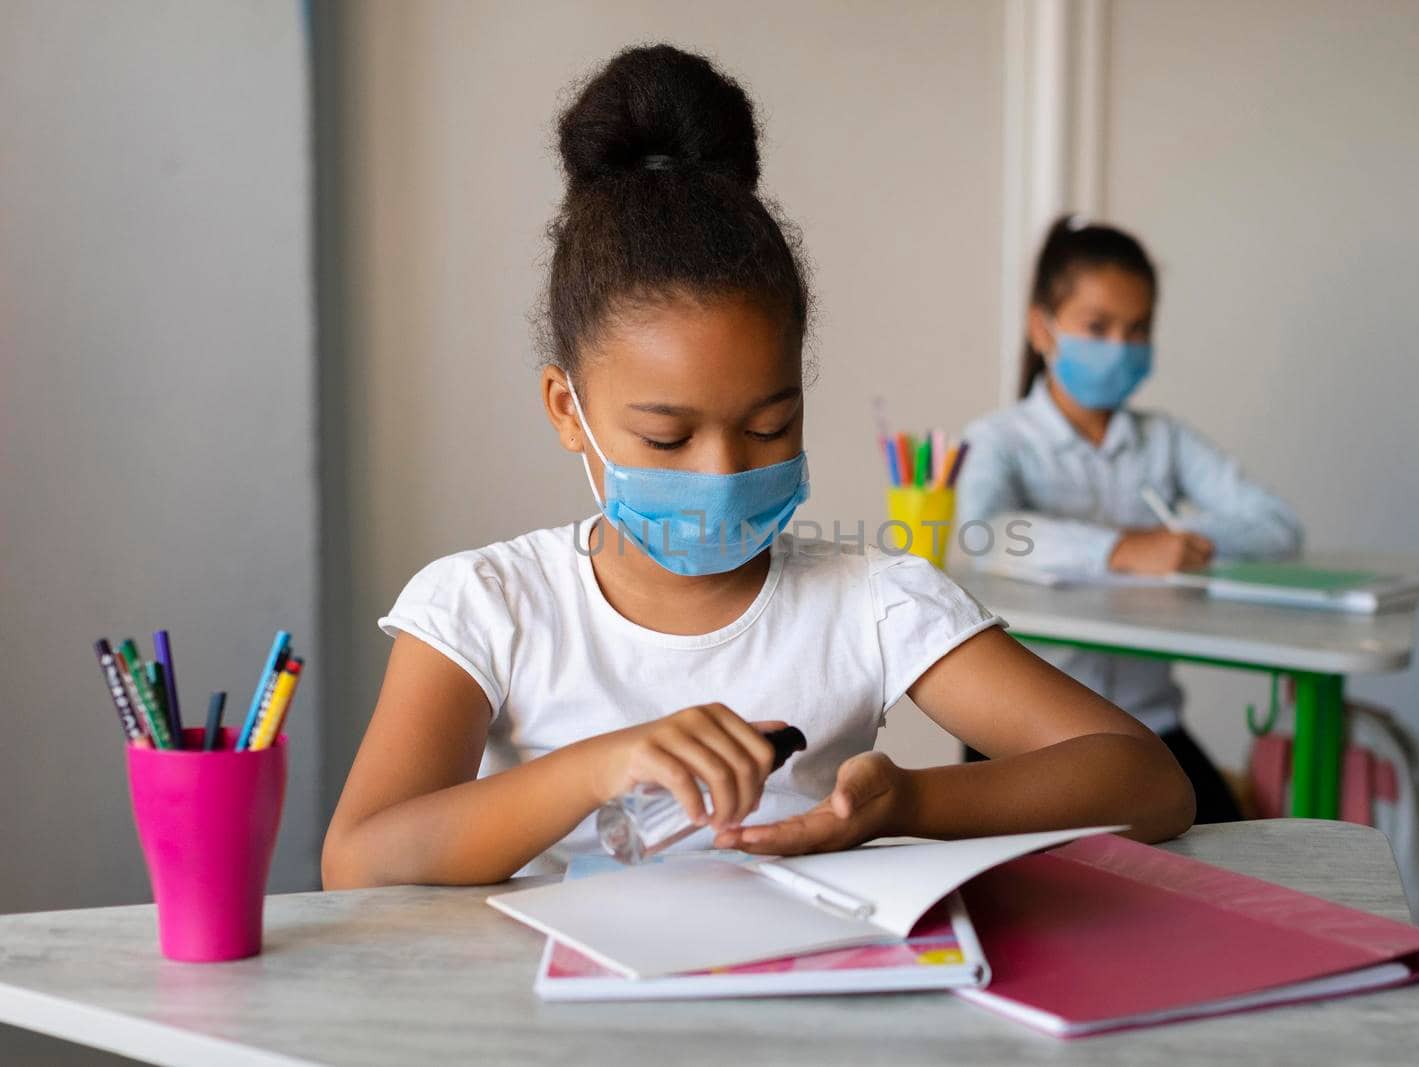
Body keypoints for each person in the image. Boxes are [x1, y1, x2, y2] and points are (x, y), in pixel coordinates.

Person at [321, 48, 1192, 889]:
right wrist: (601, 765)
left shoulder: (872, 602)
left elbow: (1147, 781)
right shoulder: (488, 605)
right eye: (667, 439)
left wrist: (911, 800)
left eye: (772, 425)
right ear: (566, 410)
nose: (724, 470)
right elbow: (358, 859)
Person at [955, 217, 1303, 823]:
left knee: (1243, 863)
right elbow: (983, 534)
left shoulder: (1163, 440)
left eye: (1137, 329)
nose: (1119, 346)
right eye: (1097, 327)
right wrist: (1118, 550)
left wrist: (1184, 545)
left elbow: (1276, 525)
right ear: (1043, 329)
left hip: (1149, 725)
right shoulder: (999, 441)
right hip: (1021, 731)